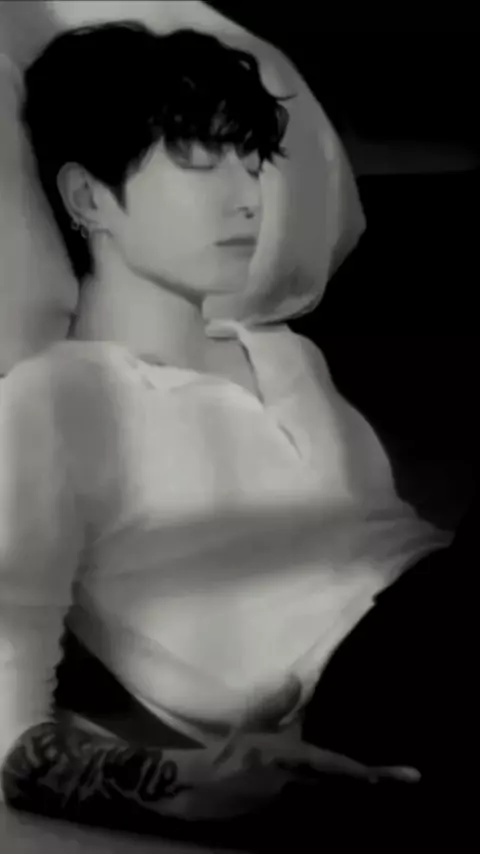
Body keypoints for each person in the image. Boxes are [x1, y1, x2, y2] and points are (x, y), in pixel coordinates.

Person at [0, 20, 458, 841]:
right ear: (88, 198)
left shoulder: (287, 355)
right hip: (362, 680)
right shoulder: (53, 398)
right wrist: (185, 779)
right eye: (199, 157)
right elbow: (9, 722)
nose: (248, 195)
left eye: (249, 159)